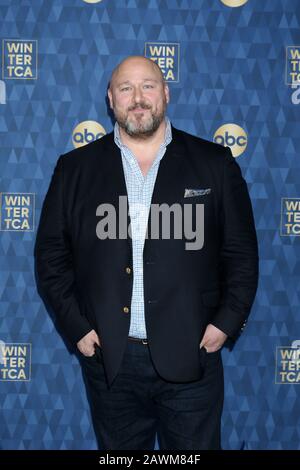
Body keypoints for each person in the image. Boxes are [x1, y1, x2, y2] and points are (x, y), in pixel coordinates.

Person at [34, 55, 259, 450]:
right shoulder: (75, 170)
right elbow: (51, 257)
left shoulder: (214, 164)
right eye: (126, 88)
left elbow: (241, 253)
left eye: (148, 86)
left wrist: (225, 323)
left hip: (193, 357)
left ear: (166, 93)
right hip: (112, 363)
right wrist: (78, 330)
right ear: (110, 99)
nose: (138, 98)